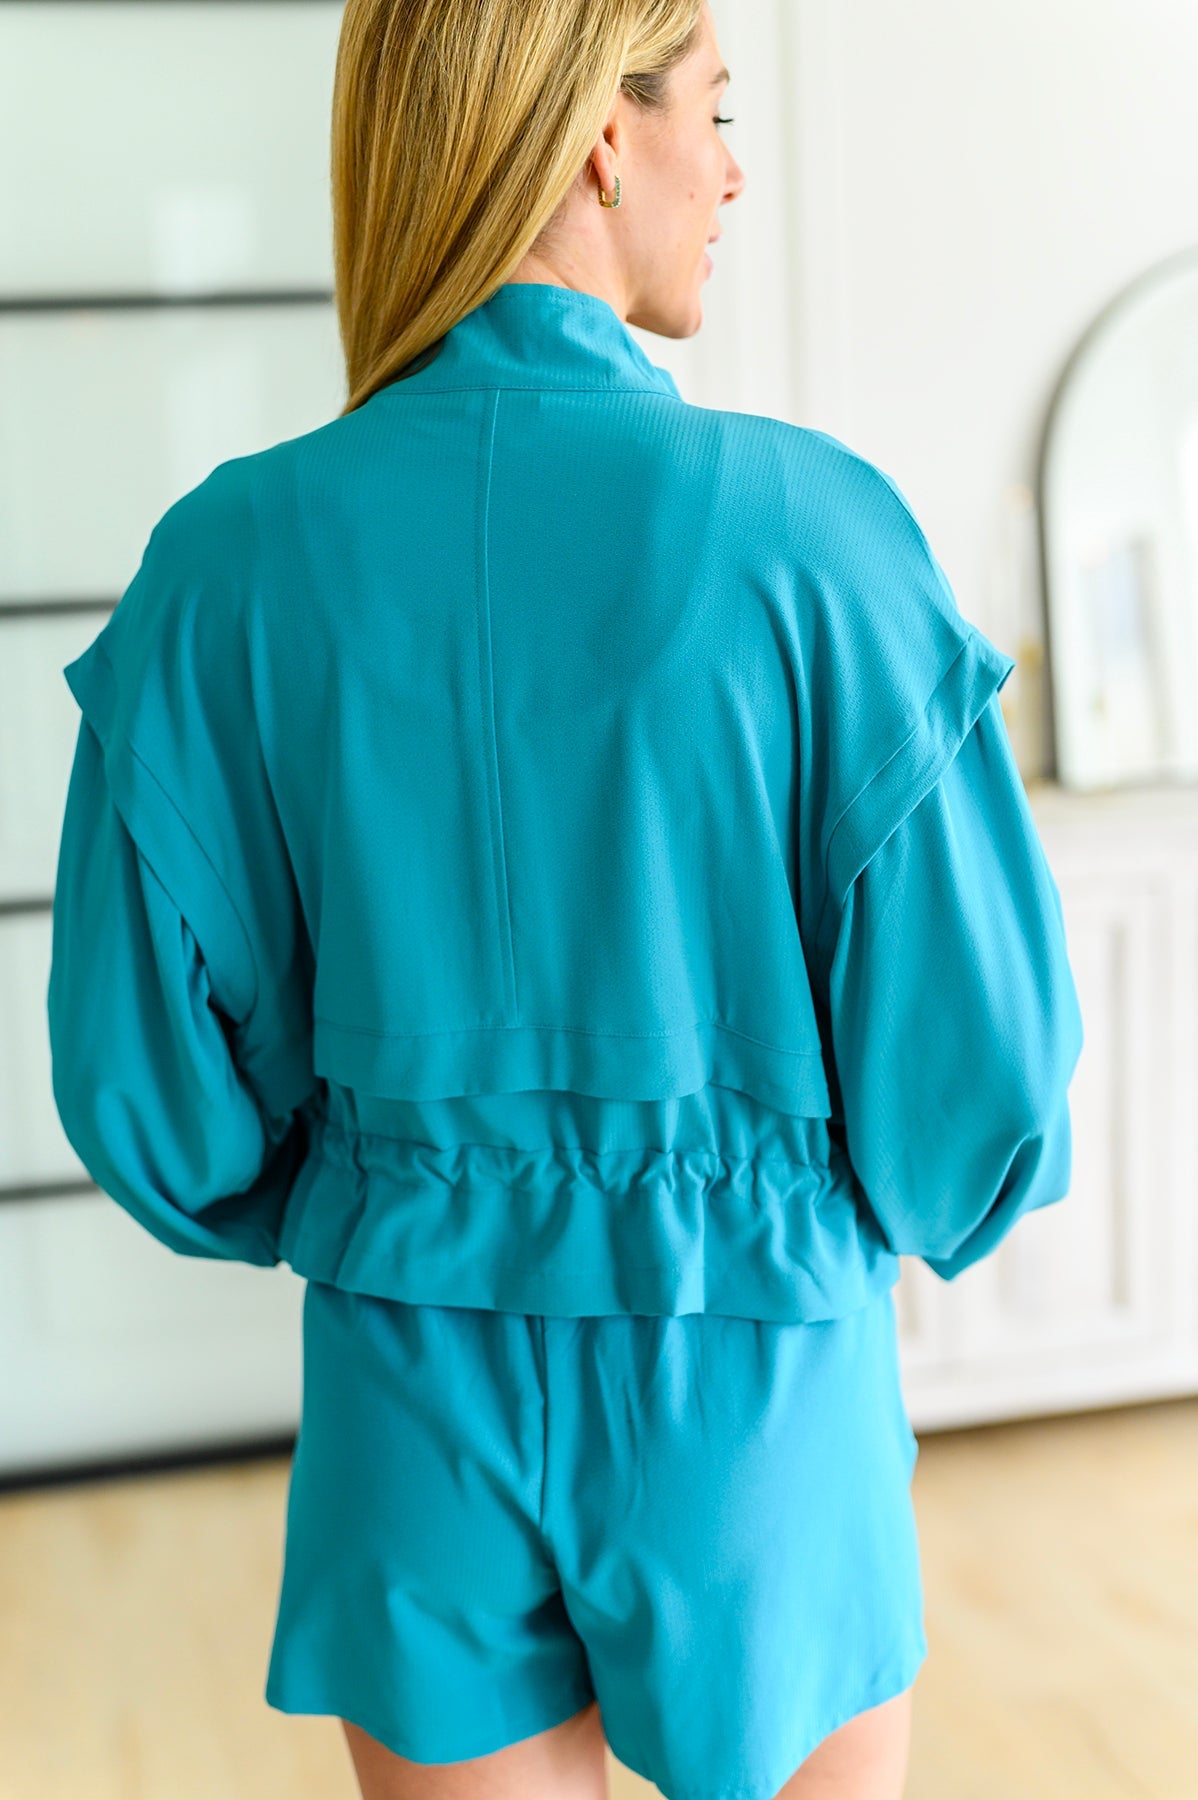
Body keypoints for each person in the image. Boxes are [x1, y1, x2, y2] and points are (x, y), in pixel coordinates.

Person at [46, 1, 1084, 1795]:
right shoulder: (812, 538)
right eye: (717, 111)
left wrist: (384, 1186)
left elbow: (143, 1090)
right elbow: (975, 1094)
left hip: (408, 1365)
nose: (732, 167)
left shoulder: (226, 564)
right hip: (750, 1373)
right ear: (601, 137)